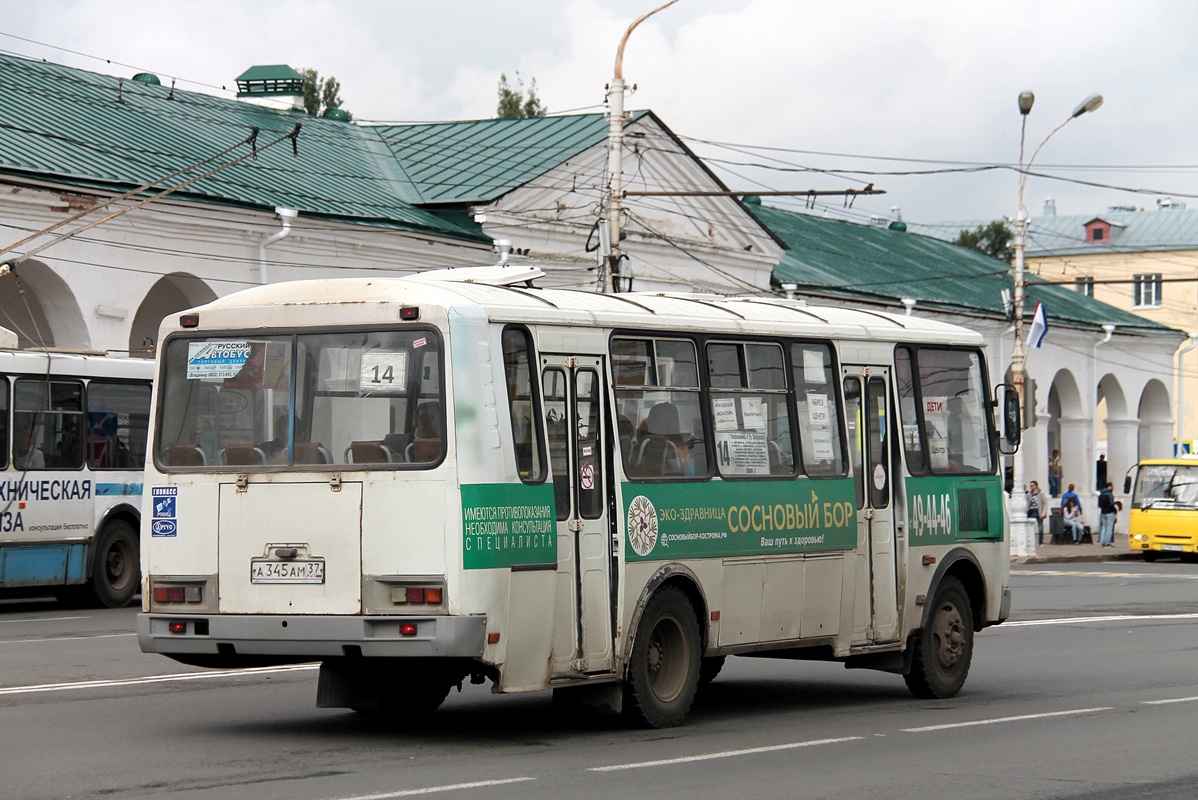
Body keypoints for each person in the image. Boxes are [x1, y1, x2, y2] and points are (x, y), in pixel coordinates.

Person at [1098, 481, 1117, 547]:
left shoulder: (1101, 494)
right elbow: (1112, 504)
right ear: (1109, 486)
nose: (1113, 487)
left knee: (1103, 527)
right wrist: (1114, 511)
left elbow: (1099, 505)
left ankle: (1102, 541)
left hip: (1103, 512)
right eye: (1112, 486)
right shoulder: (1110, 494)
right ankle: (1107, 542)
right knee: (1109, 527)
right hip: (1110, 512)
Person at [1028, 480, 1045, 545]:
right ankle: (1029, 541)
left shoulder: (1041, 493)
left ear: (1035, 486)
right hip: (1031, 511)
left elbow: (1045, 503)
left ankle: (1041, 542)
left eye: (1032, 486)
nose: (1031, 487)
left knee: (1040, 527)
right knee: (1028, 525)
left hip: (1038, 511)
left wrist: (1044, 512)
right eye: (1030, 486)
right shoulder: (1029, 494)